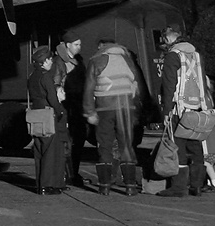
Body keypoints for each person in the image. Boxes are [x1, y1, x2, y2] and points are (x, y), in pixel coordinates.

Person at [157, 26, 215, 197]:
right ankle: (197, 186)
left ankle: (178, 187)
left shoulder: (172, 56)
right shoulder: (197, 55)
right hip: (196, 108)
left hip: (178, 109)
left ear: (168, 39)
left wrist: (166, 112)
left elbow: (169, 86)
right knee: (195, 146)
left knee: (178, 147)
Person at [83, 37, 142, 196]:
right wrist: (135, 110)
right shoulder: (128, 60)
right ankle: (130, 186)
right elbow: (136, 86)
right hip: (126, 108)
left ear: (102, 47)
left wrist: (89, 111)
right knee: (126, 145)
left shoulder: (96, 60)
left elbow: (89, 88)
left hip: (105, 108)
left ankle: (104, 186)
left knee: (105, 145)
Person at [28, 45, 66, 194]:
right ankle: (47, 185)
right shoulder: (46, 76)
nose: (51, 62)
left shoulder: (32, 77)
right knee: (50, 151)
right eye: (49, 59)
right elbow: (51, 97)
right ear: (43, 62)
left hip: (36, 114)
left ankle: (40, 184)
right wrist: (60, 110)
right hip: (48, 114)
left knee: (39, 150)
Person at [53, 30, 87, 187]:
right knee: (66, 142)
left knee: (78, 141)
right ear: (67, 45)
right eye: (76, 44)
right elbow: (56, 84)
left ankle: (74, 173)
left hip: (78, 106)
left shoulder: (79, 61)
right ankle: (66, 174)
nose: (79, 47)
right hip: (67, 107)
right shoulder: (59, 62)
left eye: (80, 44)